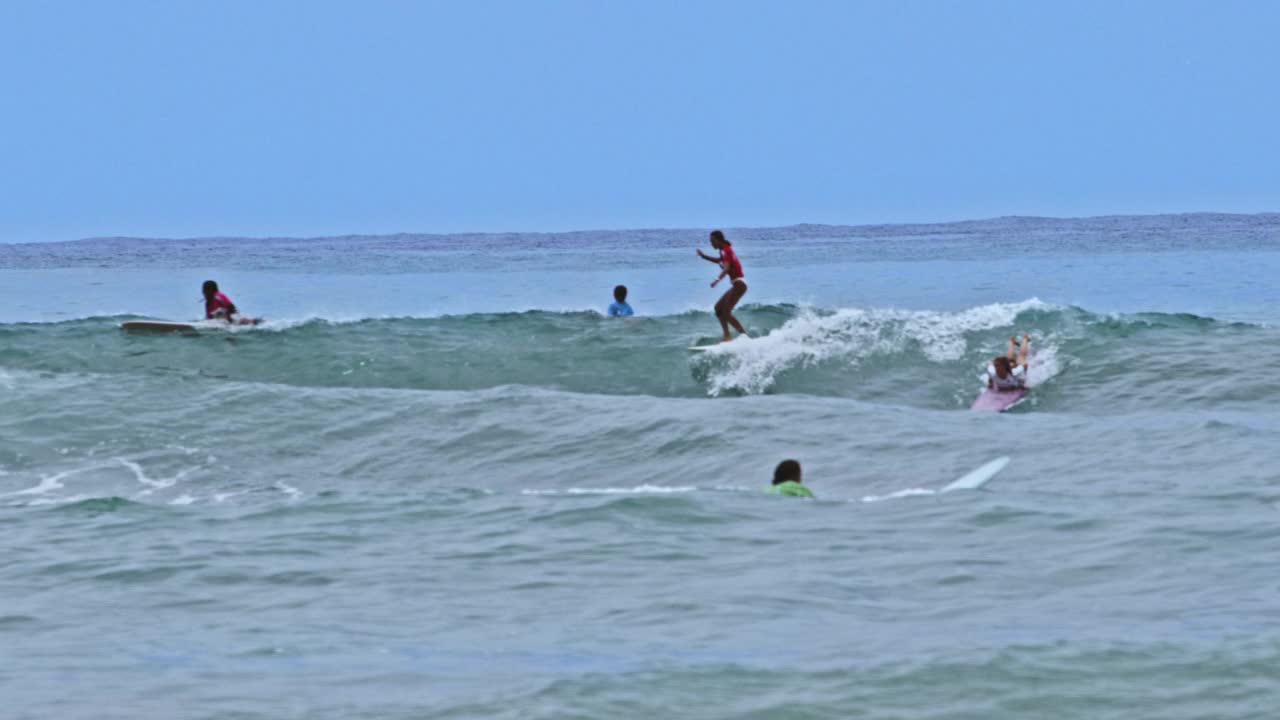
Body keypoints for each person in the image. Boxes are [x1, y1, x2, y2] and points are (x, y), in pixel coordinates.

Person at [696, 230, 748, 342]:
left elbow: (726, 268)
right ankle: (727, 336)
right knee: (718, 308)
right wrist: (704, 256)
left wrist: (717, 280)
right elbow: (720, 261)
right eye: (710, 241)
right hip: (738, 284)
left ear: (719, 240)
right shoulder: (725, 250)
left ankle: (745, 336)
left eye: (713, 241)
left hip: (739, 284)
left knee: (726, 312)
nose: (712, 244)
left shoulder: (725, 250)